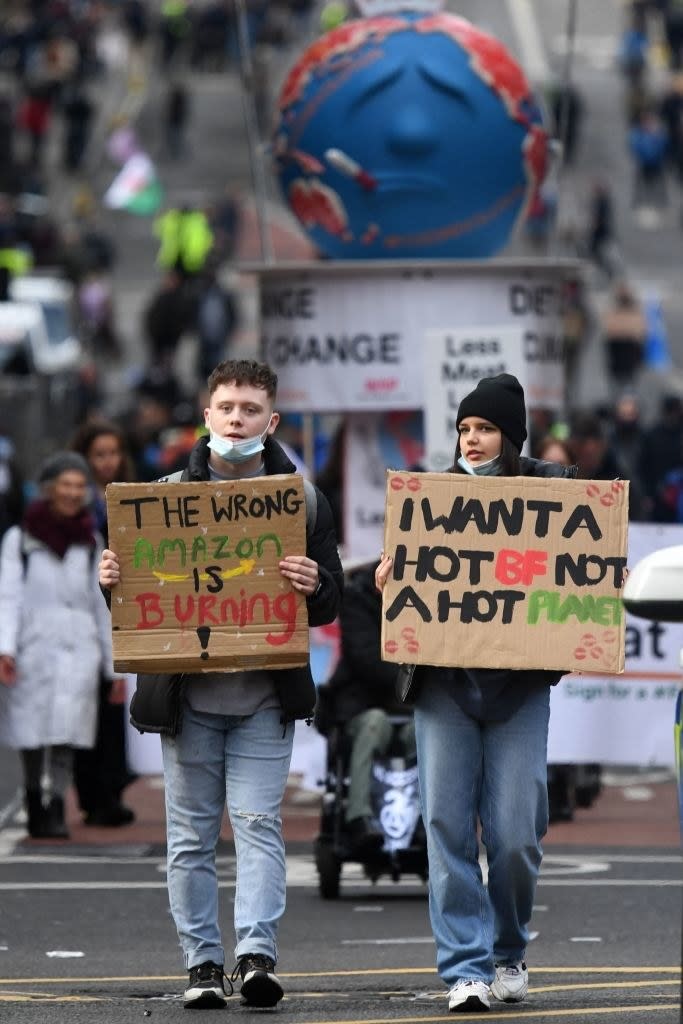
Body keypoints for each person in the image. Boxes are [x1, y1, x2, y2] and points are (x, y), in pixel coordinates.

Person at [98, 359, 343, 1009]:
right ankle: (202, 963)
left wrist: (314, 584)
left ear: (272, 420)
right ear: (206, 415)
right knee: (190, 838)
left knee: (260, 823)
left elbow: (329, 602)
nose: (238, 418)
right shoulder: (162, 498)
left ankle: (256, 954)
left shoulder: (303, 499)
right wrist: (112, 585)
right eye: (227, 406)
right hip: (190, 702)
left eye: (251, 409)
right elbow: (144, 606)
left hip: (265, 696)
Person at [375, 374, 577, 1013]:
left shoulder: (556, 493)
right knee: (446, 827)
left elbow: (585, 554)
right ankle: (465, 966)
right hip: (444, 687)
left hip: (518, 687)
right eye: (465, 429)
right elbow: (407, 585)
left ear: (511, 438)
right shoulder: (428, 499)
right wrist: (387, 580)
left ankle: (509, 950)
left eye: (486, 429)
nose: (473, 440)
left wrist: (599, 577)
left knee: (517, 832)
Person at [0, 452, 117, 840]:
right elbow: (8, 596)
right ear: (49, 489)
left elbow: (102, 605)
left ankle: (56, 808)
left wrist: (113, 666)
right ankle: (34, 797)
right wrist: (6, 649)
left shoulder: (91, 540)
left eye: (79, 486)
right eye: (65, 484)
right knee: (32, 733)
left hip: (80, 647)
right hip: (34, 645)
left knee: (68, 734)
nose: (72, 493)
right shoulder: (20, 538)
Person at [321, 561, 416, 853]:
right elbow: (366, 660)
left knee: (426, 731)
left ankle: (425, 820)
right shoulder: (356, 598)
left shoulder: (424, 596)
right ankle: (359, 816)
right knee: (376, 724)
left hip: (409, 707)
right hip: (361, 706)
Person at [70, 420, 137, 827]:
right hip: (84, 606)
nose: (109, 462)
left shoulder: (129, 496)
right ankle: (94, 793)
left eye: (114, 453)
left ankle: (111, 787)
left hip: (122, 603)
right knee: (88, 705)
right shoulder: (78, 501)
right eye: (100, 454)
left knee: (114, 702)